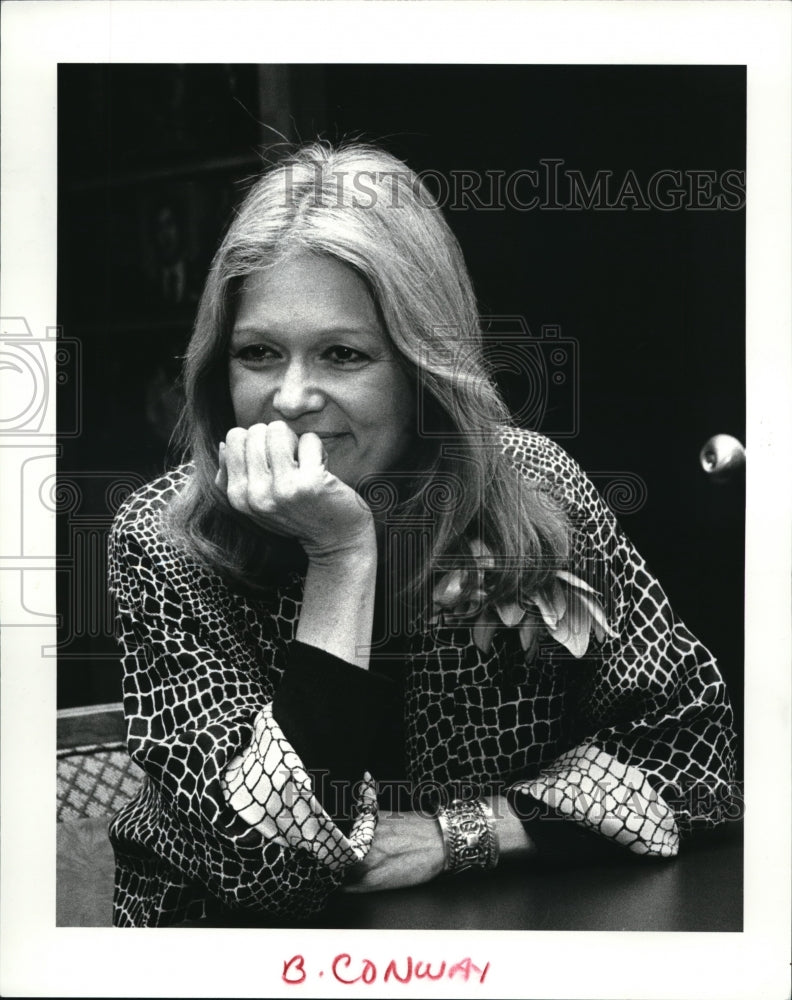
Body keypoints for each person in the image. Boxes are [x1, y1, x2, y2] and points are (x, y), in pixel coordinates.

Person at [107, 142, 737, 928]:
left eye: (343, 354)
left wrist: (463, 834)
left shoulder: (528, 490)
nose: (290, 397)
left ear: (421, 370)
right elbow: (264, 870)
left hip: (493, 935)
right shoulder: (163, 543)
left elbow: (696, 757)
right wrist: (340, 559)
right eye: (259, 352)